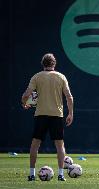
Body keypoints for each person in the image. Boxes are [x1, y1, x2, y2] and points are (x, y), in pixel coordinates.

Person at [21, 53, 74, 181]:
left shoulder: (37, 77)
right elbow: (69, 97)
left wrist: (24, 103)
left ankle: (32, 174)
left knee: (35, 144)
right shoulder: (61, 77)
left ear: (43, 64)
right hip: (57, 115)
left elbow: (26, 94)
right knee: (59, 145)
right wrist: (71, 113)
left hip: (41, 114)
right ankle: (61, 174)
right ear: (54, 64)